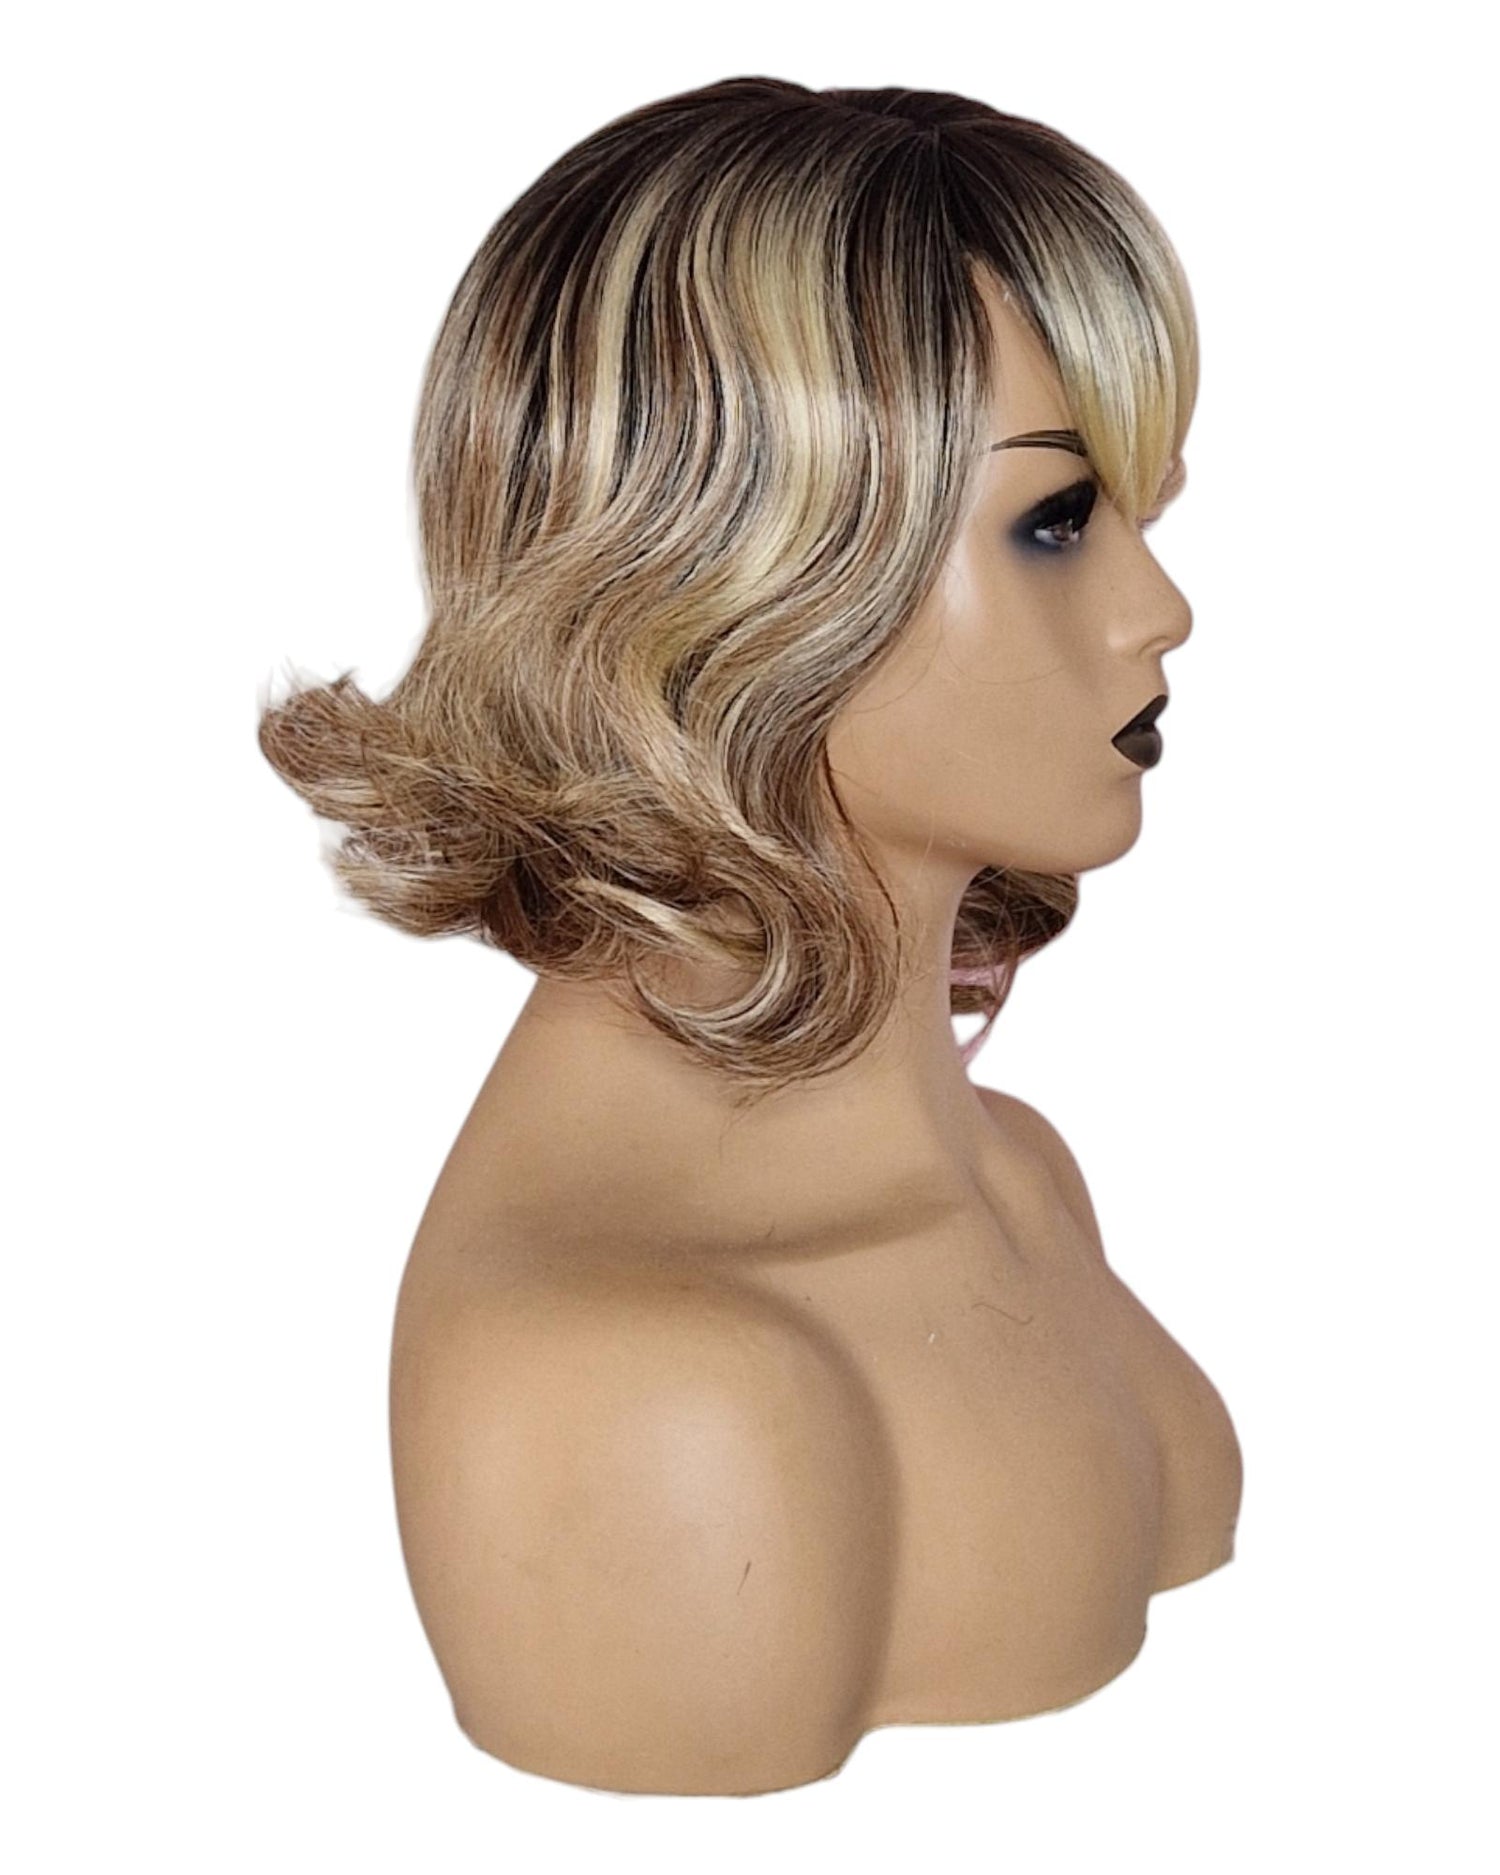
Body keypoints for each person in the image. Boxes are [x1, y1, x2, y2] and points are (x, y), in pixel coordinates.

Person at [258, 75, 1243, 1797]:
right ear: (741, 577)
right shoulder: (634, 1389)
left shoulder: (1016, 1174)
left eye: (1144, 514)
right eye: (1056, 520)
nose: (1162, 610)